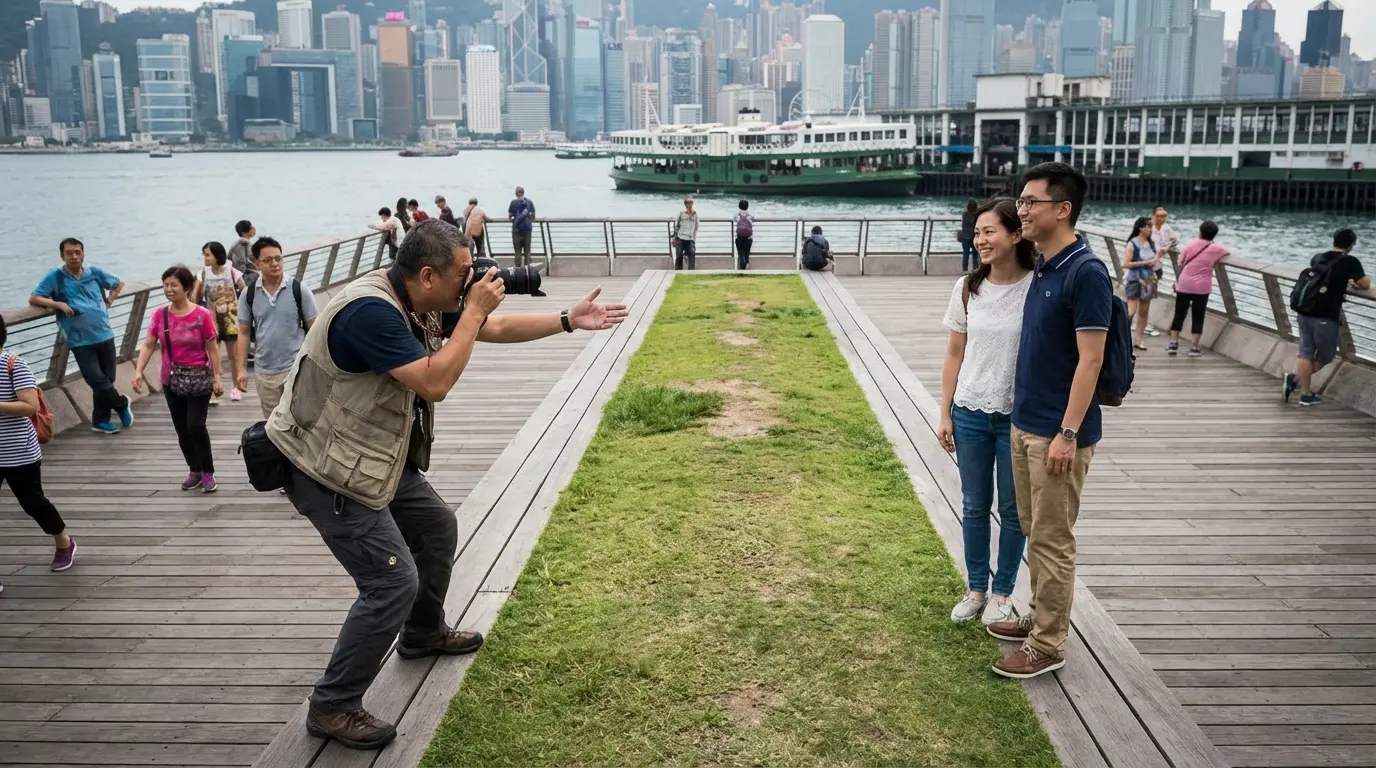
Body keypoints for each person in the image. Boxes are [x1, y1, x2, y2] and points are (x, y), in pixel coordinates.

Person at [266, 220, 630, 751]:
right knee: (391, 581)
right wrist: (476, 311)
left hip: (372, 455)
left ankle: (421, 633)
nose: (475, 278)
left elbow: (492, 330)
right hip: (326, 468)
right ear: (429, 274)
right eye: (465, 272)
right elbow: (436, 380)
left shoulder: (418, 298)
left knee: (436, 526)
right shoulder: (370, 312)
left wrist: (566, 320)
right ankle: (333, 704)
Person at [989, 162, 1111, 680]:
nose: (1021, 210)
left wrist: (1067, 432)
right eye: (1020, 203)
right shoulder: (1044, 264)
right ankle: (1038, 618)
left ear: (1062, 209)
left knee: (1052, 539)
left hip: (1057, 434)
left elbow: (1091, 360)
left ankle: (1047, 644)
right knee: (1030, 527)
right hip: (1026, 423)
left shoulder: (1086, 273)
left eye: (1030, 203)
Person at [937, 198, 1035, 627]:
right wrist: (945, 414)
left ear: (1016, 235)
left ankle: (1003, 593)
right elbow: (954, 355)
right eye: (977, 232)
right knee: (975, 505)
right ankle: (977, 588)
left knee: (1013, 511)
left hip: (1017, 415)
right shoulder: (966, 287)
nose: (980, 240)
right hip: (970, 411)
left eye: (990, 231)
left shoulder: (1037, 287)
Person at [0, 315, 76, 588]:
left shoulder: (14, 365)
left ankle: (64, 541)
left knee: (33, 503)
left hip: (19, 451)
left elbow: (30, 406)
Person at [132, 265, 223, 493]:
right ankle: (194, 470)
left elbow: (212, 348)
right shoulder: (160, 315)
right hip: (171, 380)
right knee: (181, 428)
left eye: (174, 285)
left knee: (195, 425)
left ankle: (208, 472)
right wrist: (138, 371)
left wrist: (217, 377)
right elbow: (148, 344)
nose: (169, 289)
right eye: (166, 285)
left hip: (199, 378)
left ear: (187, 287)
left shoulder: (202, 315)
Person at [29, 238, 132, 435]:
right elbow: (35, 297)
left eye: (78, 252)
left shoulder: (94, 272)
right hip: (79, 339)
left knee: (107, 379)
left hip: (104, 333)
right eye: (69, 253)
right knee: (97, 380)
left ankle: (100, 421)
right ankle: (120, 404)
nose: (74, 256)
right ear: (62, 256)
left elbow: (119, 283)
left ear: (83, 254)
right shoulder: (55, 277)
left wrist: (111, 298)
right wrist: (58, 304)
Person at [233, 237, 318, 419]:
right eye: (268, 260)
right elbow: (244, 332)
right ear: (257, 264)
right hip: (265, 373)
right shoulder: (249, 295)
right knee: (273, 428)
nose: (275, 264)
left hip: (296, 368)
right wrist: (240, 369)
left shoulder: (299, 289)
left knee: (301, 422)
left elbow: (316, 328)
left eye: (278, 258)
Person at [1284, 228, 1370, 407]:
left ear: (1334, 240)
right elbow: (1364, 283)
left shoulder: (1318, 257)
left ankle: (1302, 390)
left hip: (1305, 311)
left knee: (1305, 352)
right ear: (1351, 245)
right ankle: (1297, 384)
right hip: (1325, 315)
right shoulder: (1350, 261)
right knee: (1325, 356)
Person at [193, 241, 247, 404]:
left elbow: (244, 290)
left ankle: (236, 387)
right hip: (211, 320)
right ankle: (213, 390)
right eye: (204, 254)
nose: (205, 258)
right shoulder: (202, 274)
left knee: (233, 356)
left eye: (208, 254)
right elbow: (195, 298)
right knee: (211, 357)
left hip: (230, 320)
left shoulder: (232, 272)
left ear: (217, 255)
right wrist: (198, 288)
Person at [1168, 221, 1230, 357]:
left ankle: (1173, 343)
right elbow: (1227, 252)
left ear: (1200, 232)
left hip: (1184, 284)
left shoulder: (1190, 245)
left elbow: (1181, 261)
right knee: (1198, 316)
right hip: (1202, 287)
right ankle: (1194, 347)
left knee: (1179, 313)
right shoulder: (1217, 248)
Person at [1123, 217, 1159, 352]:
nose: (1150, 229)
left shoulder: (1151, 243)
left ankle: (1139, 339)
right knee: (1130, 311)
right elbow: (1125, 263)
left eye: (1151, 226)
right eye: (1148, 226)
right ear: (1140, 228)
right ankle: (1124, 337)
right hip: (1134, 280)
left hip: (1148, 280)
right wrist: (1144, 263)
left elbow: (1155, 258)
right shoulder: (1132, 244)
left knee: (1144, 312)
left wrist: (1156, 259)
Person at [1146, 207, 1178, 336]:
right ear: (1153, 215)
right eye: (1159, 216)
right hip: (1145, 266)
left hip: (1157, 266)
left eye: (1164, 215)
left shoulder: (1166, 228)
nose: (1162, 218)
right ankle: (1143, 324)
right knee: (1144, 296)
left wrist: (1170, 245)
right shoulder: (1147, 227)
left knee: (1150, 295)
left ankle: (1143, 324)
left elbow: (1175, 239)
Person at [508, 186, 537, 267]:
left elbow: (510, 216)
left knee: (517, 252)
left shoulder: (513, 203)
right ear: (523, 193)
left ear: (516, 193)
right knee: (527, 251)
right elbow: (533, 216)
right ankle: (527, 270)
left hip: (516, 229)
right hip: (527, 229)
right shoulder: (529, 202)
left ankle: (518, 270)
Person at [672, 196, 699, 271]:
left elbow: (697, 226)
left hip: (690, 239)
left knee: (692, 253)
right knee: (679, 256)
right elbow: (676, 225)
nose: (689, 204)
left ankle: (691, 272)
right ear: (685, 204)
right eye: (687, 203)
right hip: (680, 237)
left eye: (691, 202)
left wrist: (694, 235)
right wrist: (674, 238)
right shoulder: (681, 214)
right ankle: (678, 272)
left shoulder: (695, 214)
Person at [733, 199, 755, 270]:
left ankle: (743, 263)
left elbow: (733, 219)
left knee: (741, 251)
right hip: (748, 237)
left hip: (739, 237)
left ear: (739, 206)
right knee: (747, 251)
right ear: (747, 207)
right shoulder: (750, 215)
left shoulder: (737, 215)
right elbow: (754, 218)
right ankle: (746, 260)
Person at [959, 197, 979, 272]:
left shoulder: (964, 215)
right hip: (973, 237)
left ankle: (965, 270)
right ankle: (975, 270)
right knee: (975, 255)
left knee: (965, 255)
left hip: (965, 237)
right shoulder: (976, 215)